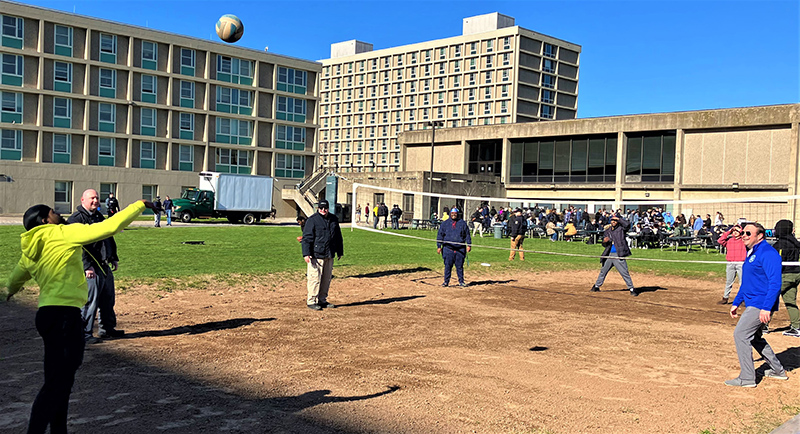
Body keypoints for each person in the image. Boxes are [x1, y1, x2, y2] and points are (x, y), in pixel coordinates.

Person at [5, 199, 153, 434]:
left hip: (46, 315)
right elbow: (108, 228)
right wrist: (140, 205)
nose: (58, 214)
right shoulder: (62, 232)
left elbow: (16, 276)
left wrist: (10, 291)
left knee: (59, 380)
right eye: (53, 212)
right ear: (45, 221)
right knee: (58, 382)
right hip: (65, 316)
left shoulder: (30, 248)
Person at [726, 223, 788, 387]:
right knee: (754, 337)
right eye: (743, 232)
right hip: (753, 302)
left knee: (740, 335)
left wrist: (766, 308)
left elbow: (775, 283)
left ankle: (747, 378)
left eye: (748, 233)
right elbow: (747, 282)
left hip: (760, 304)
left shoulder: (768, 253)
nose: (744, 235)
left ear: (760, 235)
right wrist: (737, 302)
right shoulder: (753, 252)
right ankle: (777, 370)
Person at [67, 189, 126, 343]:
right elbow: (76, 246)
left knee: (107, 300)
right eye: (92, 198)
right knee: (89, 302)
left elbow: (108, 236)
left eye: (97, 198)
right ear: (82, 200)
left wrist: (113, 257)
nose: (95, 201)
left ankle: (107, 329)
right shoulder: (76, 219)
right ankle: (84, 334)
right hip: (90, 268)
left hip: (104, 265)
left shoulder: (98, 216)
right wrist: (86, 266)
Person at [301, 200, 343, 311]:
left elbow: (338, 237)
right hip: (316, 255)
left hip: (329, 254)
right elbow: (306, 239)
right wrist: (306, 253)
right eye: (321, 208)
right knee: (315, 278)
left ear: (328, 208)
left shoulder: (334, 219)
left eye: (325, 208)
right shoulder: (312, 220)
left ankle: (322, 300)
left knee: (326, 278)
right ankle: (311, 300)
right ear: (318, 208)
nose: (323, 210)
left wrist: (340, 251)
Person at [591, 215, 637, 296]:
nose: (613, 222)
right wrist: (605, 241)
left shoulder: (621, 229)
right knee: (603, 271)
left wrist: (619, 219)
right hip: (609, 254)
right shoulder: (608, 230)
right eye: (612, 220)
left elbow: (627, 225)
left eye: (615, 220)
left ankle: (631, 288)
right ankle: (596, 286)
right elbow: (604, 244)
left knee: (624, 272)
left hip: (618, 254)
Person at [773, 219, 800, 337]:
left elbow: (777, 262)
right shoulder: (795, 242)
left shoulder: (779, 244)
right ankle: (796, 327)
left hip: (784, 275)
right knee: (790, 301)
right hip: (796, 274)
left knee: (770, 300)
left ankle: (763, 326)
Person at [437, 207, 471, 287]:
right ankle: (446, 281)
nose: (453, 215)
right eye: (452, 213)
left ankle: (461, 281)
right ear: (450, 214)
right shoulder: (445, 224)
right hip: (448, 249)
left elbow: (467, 235)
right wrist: (439, 246)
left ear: (457, 214)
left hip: (460, 249)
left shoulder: (462, 223)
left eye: (455, 214)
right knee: (448, 266)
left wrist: (469, 244)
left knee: (459, 266)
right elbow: (440, 235)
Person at [718, 224, 746, 304]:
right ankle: (725, 298)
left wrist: (741, 231)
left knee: (742, 282)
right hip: (730, 263)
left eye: (737, 230)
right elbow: (720, 240)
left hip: (741, 263)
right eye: (734, 231)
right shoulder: (729, 241)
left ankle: (744, 299)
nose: (735, 232)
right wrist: (729, 231)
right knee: (729, 281)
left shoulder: (743, 240)